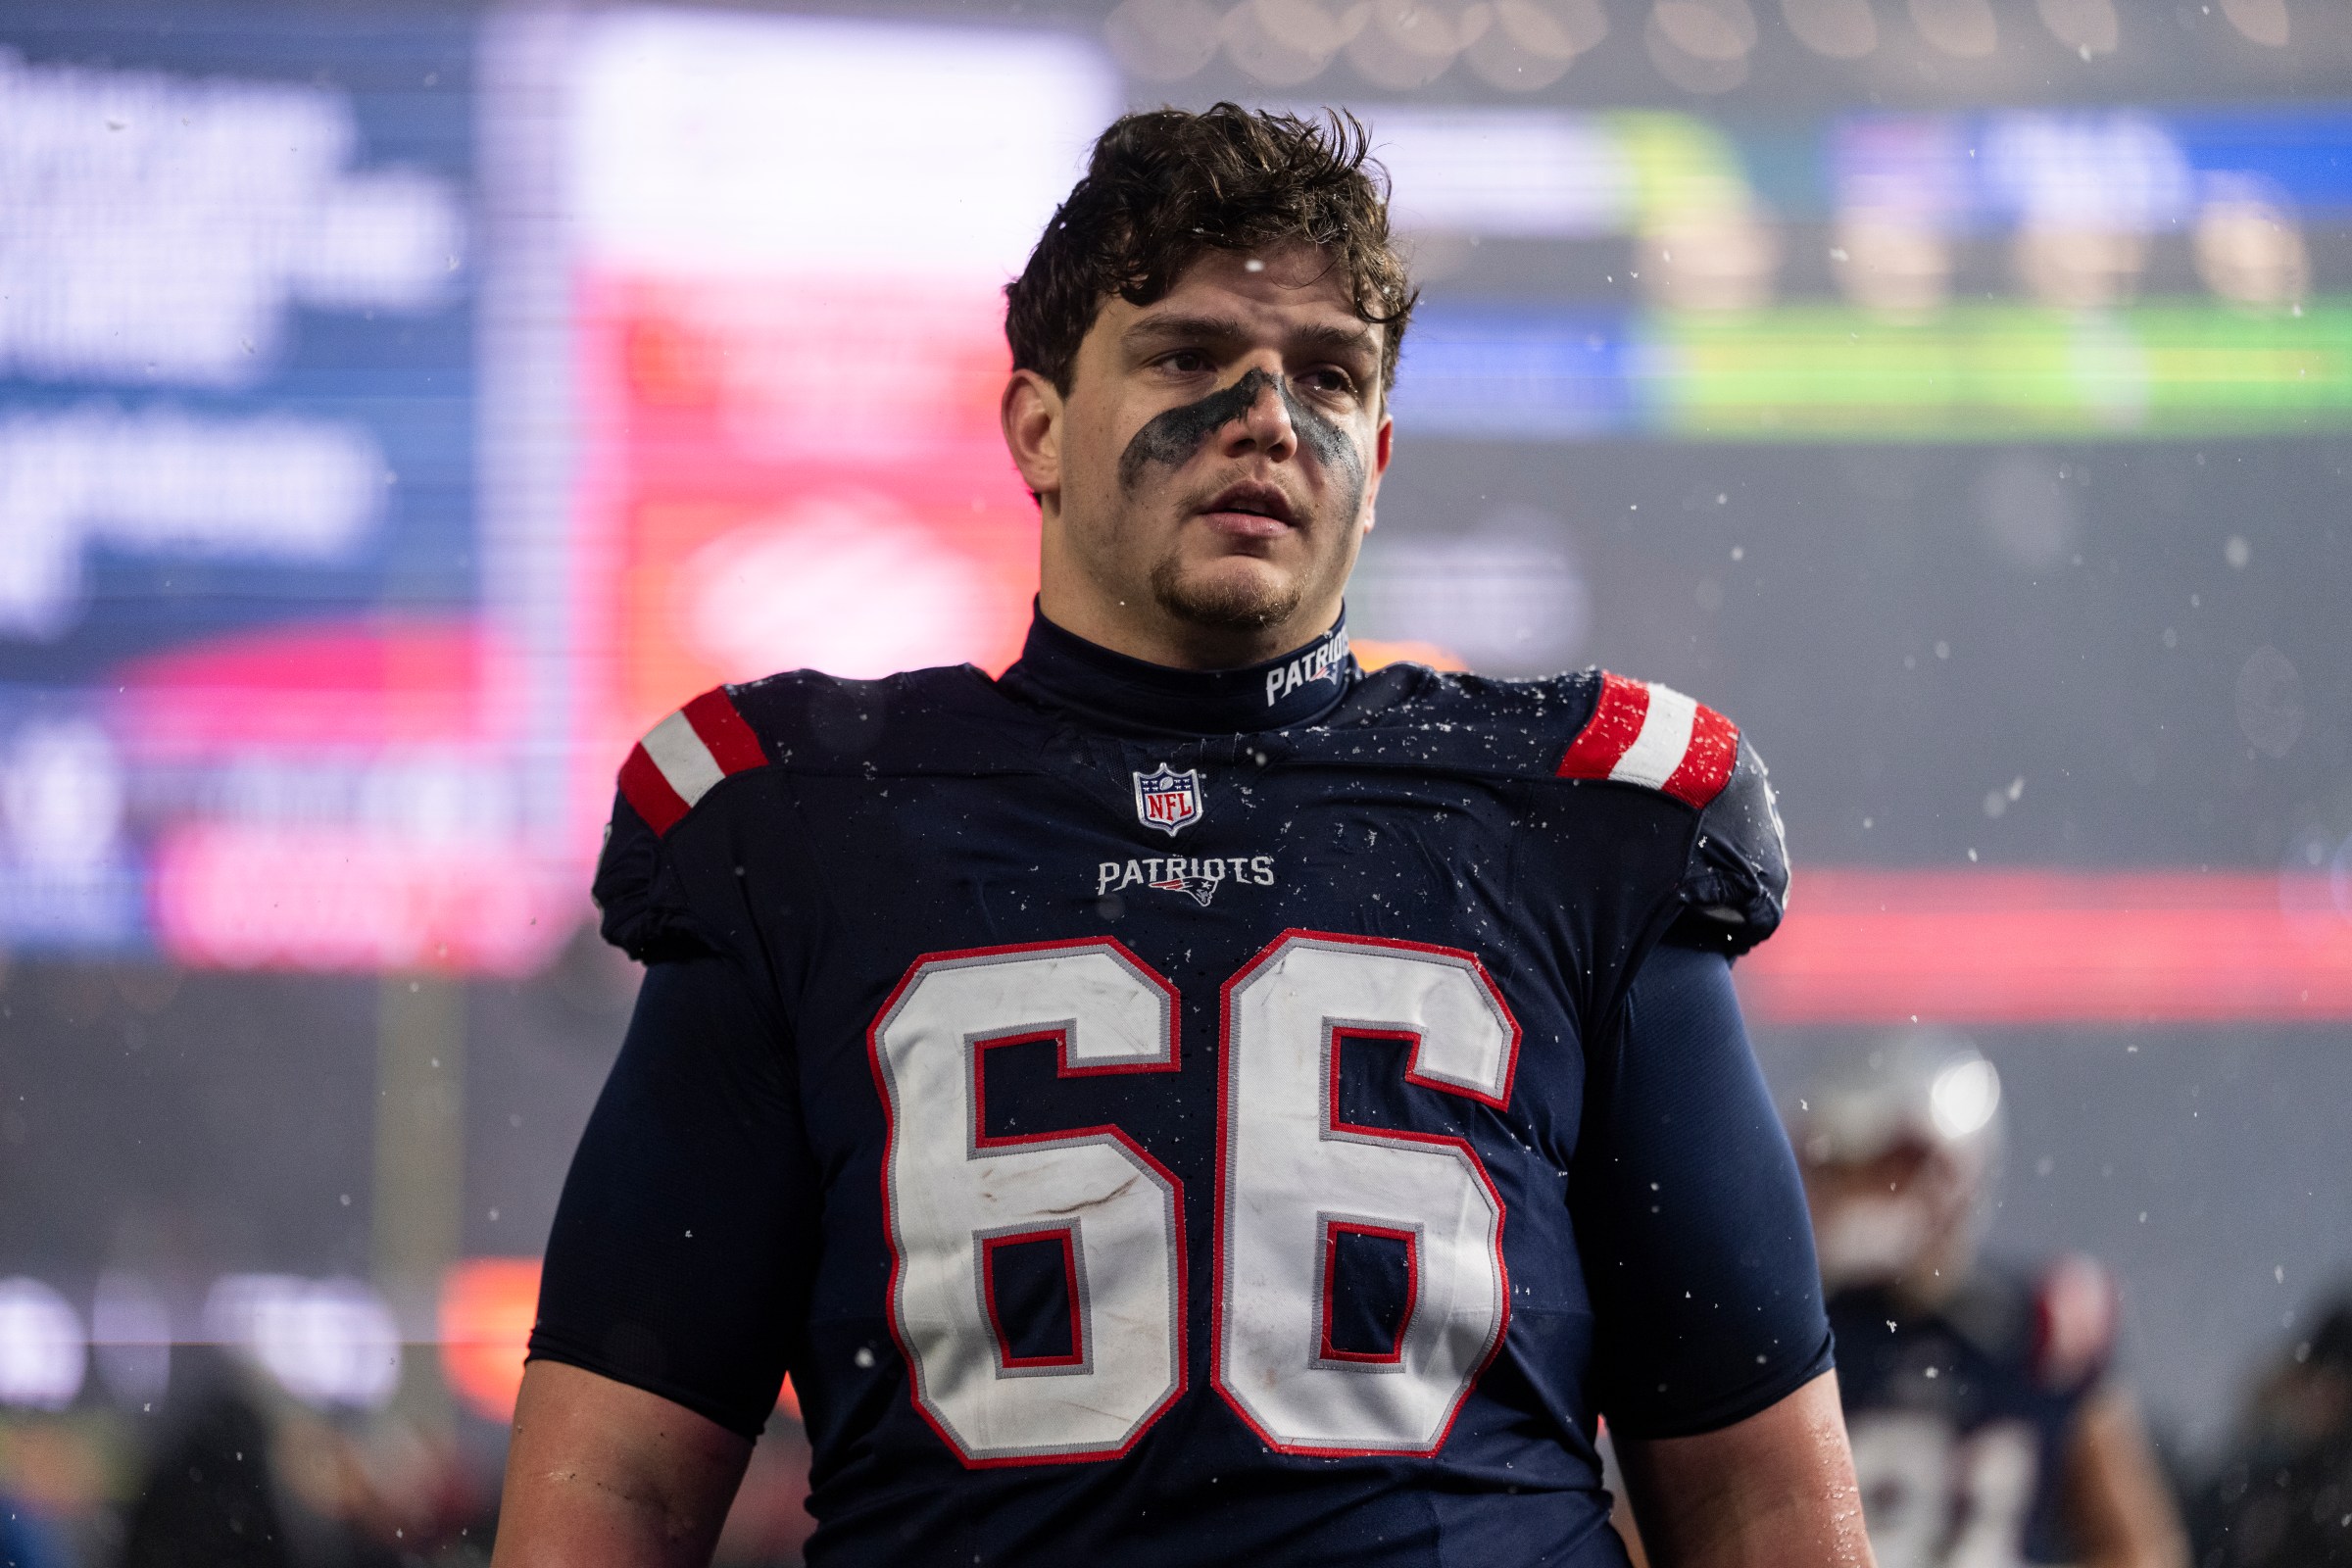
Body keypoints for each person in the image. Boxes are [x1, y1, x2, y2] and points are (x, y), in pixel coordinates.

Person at [493, 105, 1868, 1568]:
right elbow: (617, 1484)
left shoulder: (1572, 825)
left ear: (1380, 455)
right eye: (1189, 357)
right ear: (1036, 427)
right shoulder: (802, 828)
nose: (1268, 416)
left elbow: (1762, 1493)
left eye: (1327, 376)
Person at [1790, 1035, 2186, 1568]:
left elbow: (2134, 1545)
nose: (1851, 1192)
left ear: (1950, 1175)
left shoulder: (2043, 1328)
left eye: (1880, 1166)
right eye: (1836, 1167)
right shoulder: (1785, 1332)